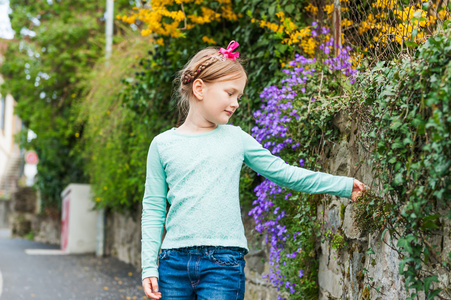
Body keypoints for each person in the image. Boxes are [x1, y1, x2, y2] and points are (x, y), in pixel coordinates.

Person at [141, 40, 366, 300]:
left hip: (223, 264)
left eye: (239, 96)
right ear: (200, 88)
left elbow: (284, 173)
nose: (235, 103)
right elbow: (154, 208)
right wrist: (149, 266)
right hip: (172, 264)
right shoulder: (162, 145)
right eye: (229, 93)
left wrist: (342, 185)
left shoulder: (237, 139)